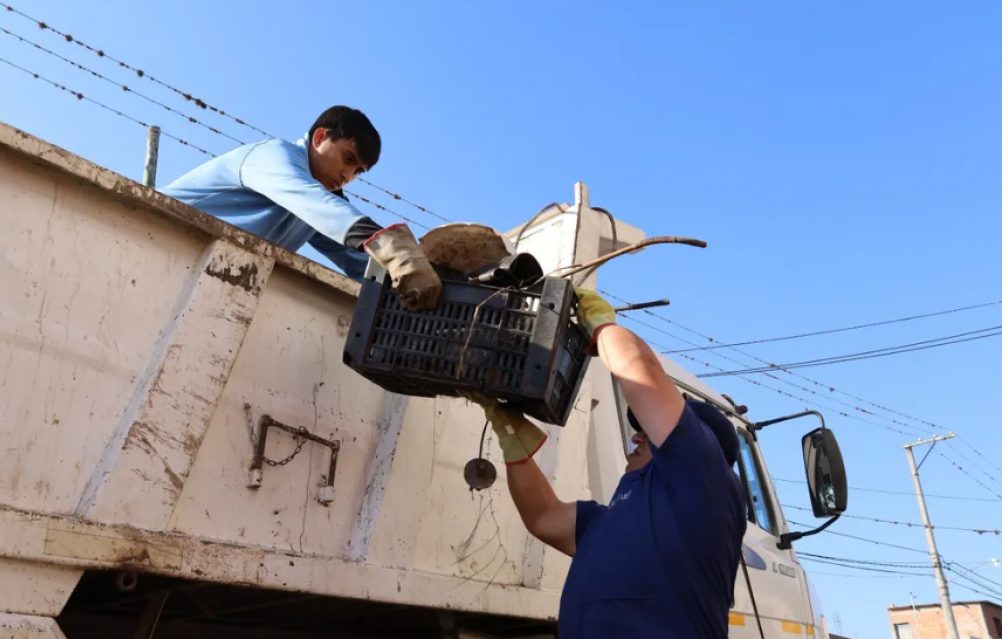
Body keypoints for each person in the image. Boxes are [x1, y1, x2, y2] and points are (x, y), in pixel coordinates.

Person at [463, 288, 747, 639]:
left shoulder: (705, 480)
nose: (638, 437)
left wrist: (603, 327)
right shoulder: (609, 520)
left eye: (648, 430)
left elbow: (640, 373)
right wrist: (510, 437)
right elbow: (543, 515)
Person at [160, 106, 441, 311]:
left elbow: (363, 263)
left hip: (197, 271)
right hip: (154, 235)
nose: (348, 176)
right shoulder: (273, 156)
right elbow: (313, 202)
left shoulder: (322, 202)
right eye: (347, 158)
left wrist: (424, 284)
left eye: (358, 172)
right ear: (319, 137)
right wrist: (393, 247)